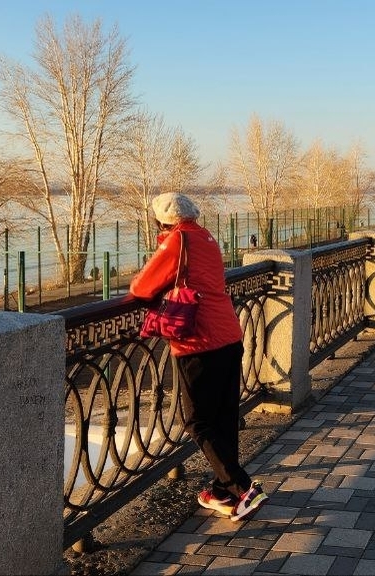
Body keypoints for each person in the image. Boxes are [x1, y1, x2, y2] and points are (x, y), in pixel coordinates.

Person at [129, 192, 269, 521]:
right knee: (223, 418)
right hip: (229, 336)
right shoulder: (206, 237)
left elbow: (142, 288)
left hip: (199, 343)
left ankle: (244, 488)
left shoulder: (176, 241)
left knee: (196, 421)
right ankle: (222, 491)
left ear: (162, 221)